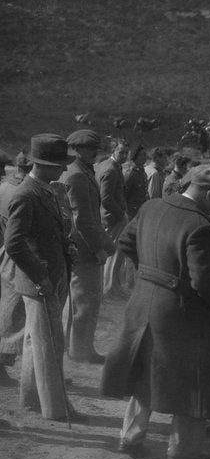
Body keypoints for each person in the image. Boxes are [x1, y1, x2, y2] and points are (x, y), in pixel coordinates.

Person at [101, 165, 210, 459]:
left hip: (142, 304)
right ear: (208, 193)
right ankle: (183, 450)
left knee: (143, 373)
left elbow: (125, 243)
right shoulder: (200, 225)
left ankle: (130, 438)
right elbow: (203, 280)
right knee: (192, 380)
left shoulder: (151, 207)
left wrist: (149, 274)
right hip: (180, 314)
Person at [5, 134, 81, 421]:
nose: (64, 169)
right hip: (41, 281)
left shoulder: (46, 189)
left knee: (35, 342)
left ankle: (30, 400)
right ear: (43, 165)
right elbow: (14, 243)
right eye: (59, 164)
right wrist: (39, 277)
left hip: (53, 275)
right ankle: (56, 409)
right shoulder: (26, 194)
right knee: (50, 345)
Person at [60, 129, 117, 364]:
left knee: (77, 303)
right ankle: (81, 350)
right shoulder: (76, 175)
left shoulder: (81, 171)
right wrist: (98, 248)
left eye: (96, 149)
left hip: (79, 247)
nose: (95, 153)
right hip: (84, 250)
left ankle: (74, 348)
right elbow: (82, 219)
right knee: (85, 303)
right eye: (90, 149)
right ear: (78, 149)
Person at [0, 153, 32, 383]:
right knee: (12, 314)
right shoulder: (19, 192)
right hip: (15, 256)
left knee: (9, 311)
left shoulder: (4, 188)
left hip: (5, 252)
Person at [96, 138, 129, 296]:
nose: (124, 156)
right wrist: (120, 214)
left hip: (111, 216)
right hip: (112, 217)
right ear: (113, 151)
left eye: (126, 153)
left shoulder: (109, 166)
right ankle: (109, 288)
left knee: (113, 253)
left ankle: (111, 286)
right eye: (121, 152)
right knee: (114, 253)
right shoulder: (111, 169)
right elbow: (106, 198)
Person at [122, 143, 148, 220]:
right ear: (134, 157)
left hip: (141, 212)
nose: (144, 157)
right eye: (141, 155)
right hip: (131, 213)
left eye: (145, 155)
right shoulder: (130, 174)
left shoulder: (143, 173)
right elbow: (123, 195)